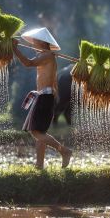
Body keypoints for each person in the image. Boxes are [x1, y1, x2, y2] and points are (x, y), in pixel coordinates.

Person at [12, 27, 72, 169]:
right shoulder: (46, 55)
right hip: (43, 96)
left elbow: (28, 63)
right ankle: (39, 165)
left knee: (36, 132)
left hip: (45, 96)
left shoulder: (48, 56)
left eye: (35, 41)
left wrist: (14, 49)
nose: (32, 43)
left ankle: (64, 150)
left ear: (41, 42)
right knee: (40, 132)